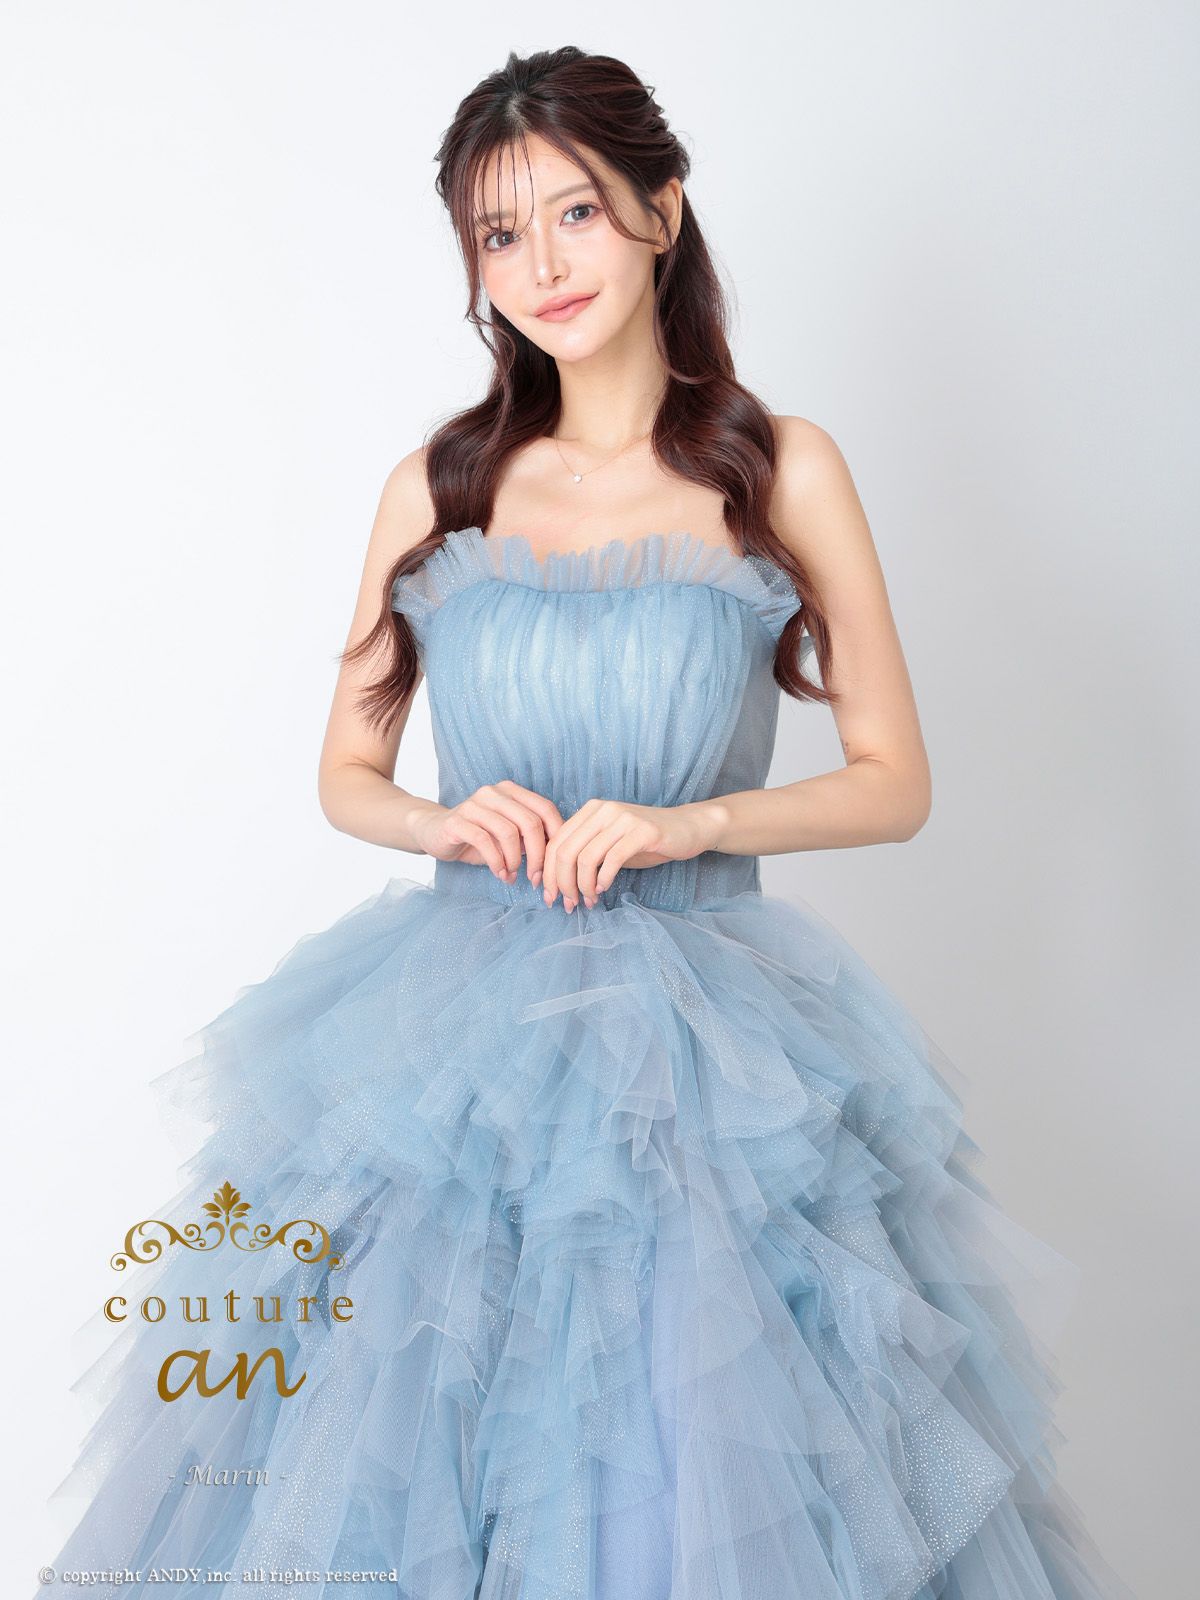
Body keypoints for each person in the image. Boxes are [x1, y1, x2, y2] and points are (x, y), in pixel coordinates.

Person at [35, 45, 1133, 1600]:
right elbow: (346, 774)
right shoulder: (442, 484)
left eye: (575, 212)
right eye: (500, 233)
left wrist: (694, 824)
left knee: (697, 1461)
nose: (542, 264)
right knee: (401, 1459)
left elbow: (896, 778)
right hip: (456, 1046)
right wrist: (440, 822)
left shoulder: (778, 469)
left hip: (711, 1059)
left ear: (661, 212)